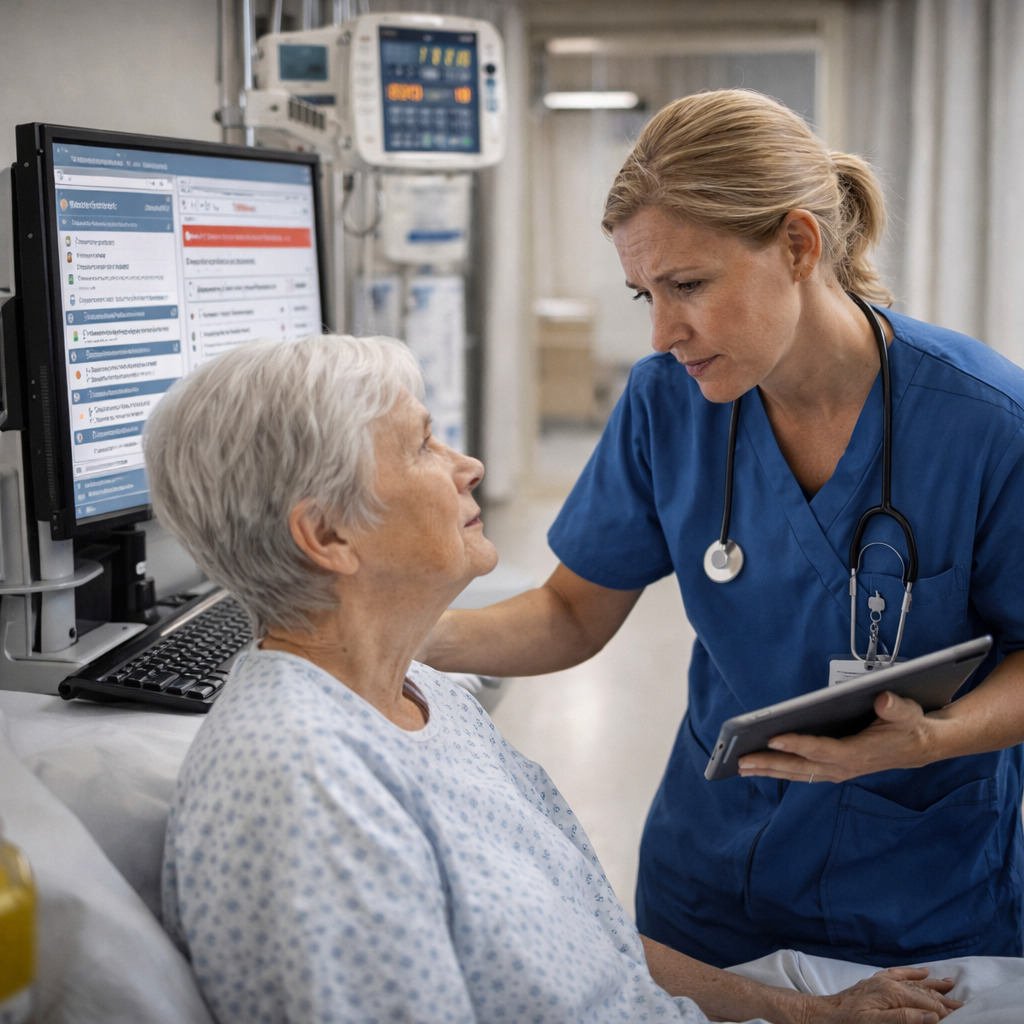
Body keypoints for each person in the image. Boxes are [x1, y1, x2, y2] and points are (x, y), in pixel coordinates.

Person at [148, 334, 960, 1024]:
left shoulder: (422, 703)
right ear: (326, 534)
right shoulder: (303, 787)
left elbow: (593, 943)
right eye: (423, 445)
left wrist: (817, 1015)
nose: (467, 466)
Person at [418, 88, 1024, 971]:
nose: (665, 332)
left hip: (919, 892)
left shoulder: (984, 423)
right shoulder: (670, 402)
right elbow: (571, 613)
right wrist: (401, 636)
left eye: (690, 286)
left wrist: (934, 735)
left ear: (798, 245)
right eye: (645, 296)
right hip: (708, 882)